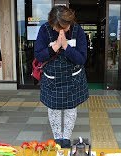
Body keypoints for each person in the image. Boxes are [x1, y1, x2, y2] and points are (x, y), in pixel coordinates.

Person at [34, 5, 88, 148]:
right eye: (59, 28)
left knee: (71, 109)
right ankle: (58, 139)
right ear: (52, 24)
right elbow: (39, 55)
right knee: (54, 109)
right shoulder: (44, 30)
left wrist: (66, 46)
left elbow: (82, 59)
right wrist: (55, 46)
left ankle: (67, 138)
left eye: (66, 26)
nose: (64, 30)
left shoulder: (78, 30)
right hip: (52, 79)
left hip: (73, 78)